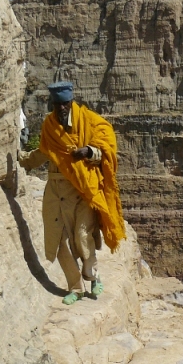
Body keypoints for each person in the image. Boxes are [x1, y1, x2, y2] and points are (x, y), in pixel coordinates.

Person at [19, 81, 126, 305]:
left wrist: (89, 151)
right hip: (56, 191)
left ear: (71, 102)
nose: (61, 108)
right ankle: (75, 287)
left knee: (82, 236)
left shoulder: (88, 120)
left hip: (83, 190)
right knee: (59, 242)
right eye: (57, 104)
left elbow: (106, 145)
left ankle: (92, 275)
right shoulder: (49, 125)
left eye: (65, 104)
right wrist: (25, 161)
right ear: (53, 104)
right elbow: (45, 151)